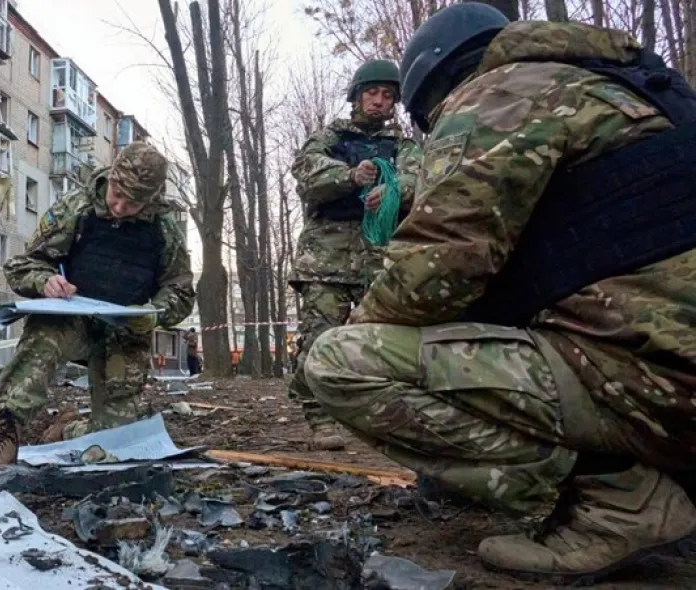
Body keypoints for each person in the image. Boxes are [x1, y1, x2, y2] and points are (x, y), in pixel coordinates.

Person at [304, 4, 696, 585]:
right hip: (669, 365)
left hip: (657, 383)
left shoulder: (501, 92)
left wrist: (364, 322)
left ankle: (620, 496)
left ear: (432, 88)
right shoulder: (637, 94)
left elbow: (440, 262)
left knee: (339, 361)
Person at [0, 142, 196, 474]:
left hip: (124, 334)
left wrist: (155, 313)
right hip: (72, 321)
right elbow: (22, 266)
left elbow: (180, 289)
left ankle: (69, 429)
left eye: (132, 203)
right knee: (42, 336)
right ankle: (5, 432)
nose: (119, 207)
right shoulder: (76, 209)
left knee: (117, 441)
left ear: (149, 200)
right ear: (111, 178)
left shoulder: (165, 229)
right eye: (116, 194)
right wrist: (45, 280)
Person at [287, 59, 423, 451]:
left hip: (379, 258)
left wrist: (395, 189)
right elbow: (306, 172)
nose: (379, 102)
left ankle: (374, 416)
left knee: (379, 342)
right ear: (357, 96)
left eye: (387, 96)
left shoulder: (401, 145)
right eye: (372, 93)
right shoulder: (329, 138)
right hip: (325, 259)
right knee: (319, 339)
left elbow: (421, 177)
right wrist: (350, 176)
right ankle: (318, 418)